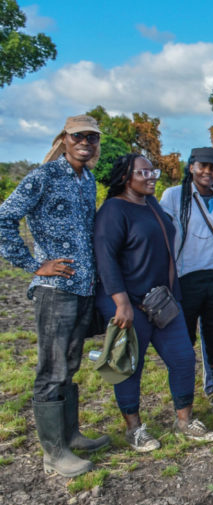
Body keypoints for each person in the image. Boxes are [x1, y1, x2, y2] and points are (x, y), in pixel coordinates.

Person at [0, 115, 108, 477]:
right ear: (64, 139)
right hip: (55, 290)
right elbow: (5, 217)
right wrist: (33, 263)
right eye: (79, 136)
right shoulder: (43, 176)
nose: (86, 143)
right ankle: (54, 453)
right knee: (52, 368)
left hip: (82, 288)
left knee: (71, 364)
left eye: (92, 138)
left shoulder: (87, 179)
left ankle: (71, 435)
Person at [94, 153, 213, 452]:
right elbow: (106, 257)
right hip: (128, 303)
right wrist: (121, 301)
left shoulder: (151, 204)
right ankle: (134, 428)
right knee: (130, 366)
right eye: (143, 173)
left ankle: (185, 421)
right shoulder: (114, 210)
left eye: (154, 172)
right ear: (126, 177)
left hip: (162, 301)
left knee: (183, 359)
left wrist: (173, 292)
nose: (151, 177)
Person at [159, 147, 213, 418]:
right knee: (183, 342)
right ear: (191, 166)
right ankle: (183, 399)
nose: (207, 172)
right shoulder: (173, 196)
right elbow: (163, 239)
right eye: (202, 166)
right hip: (185, 278)